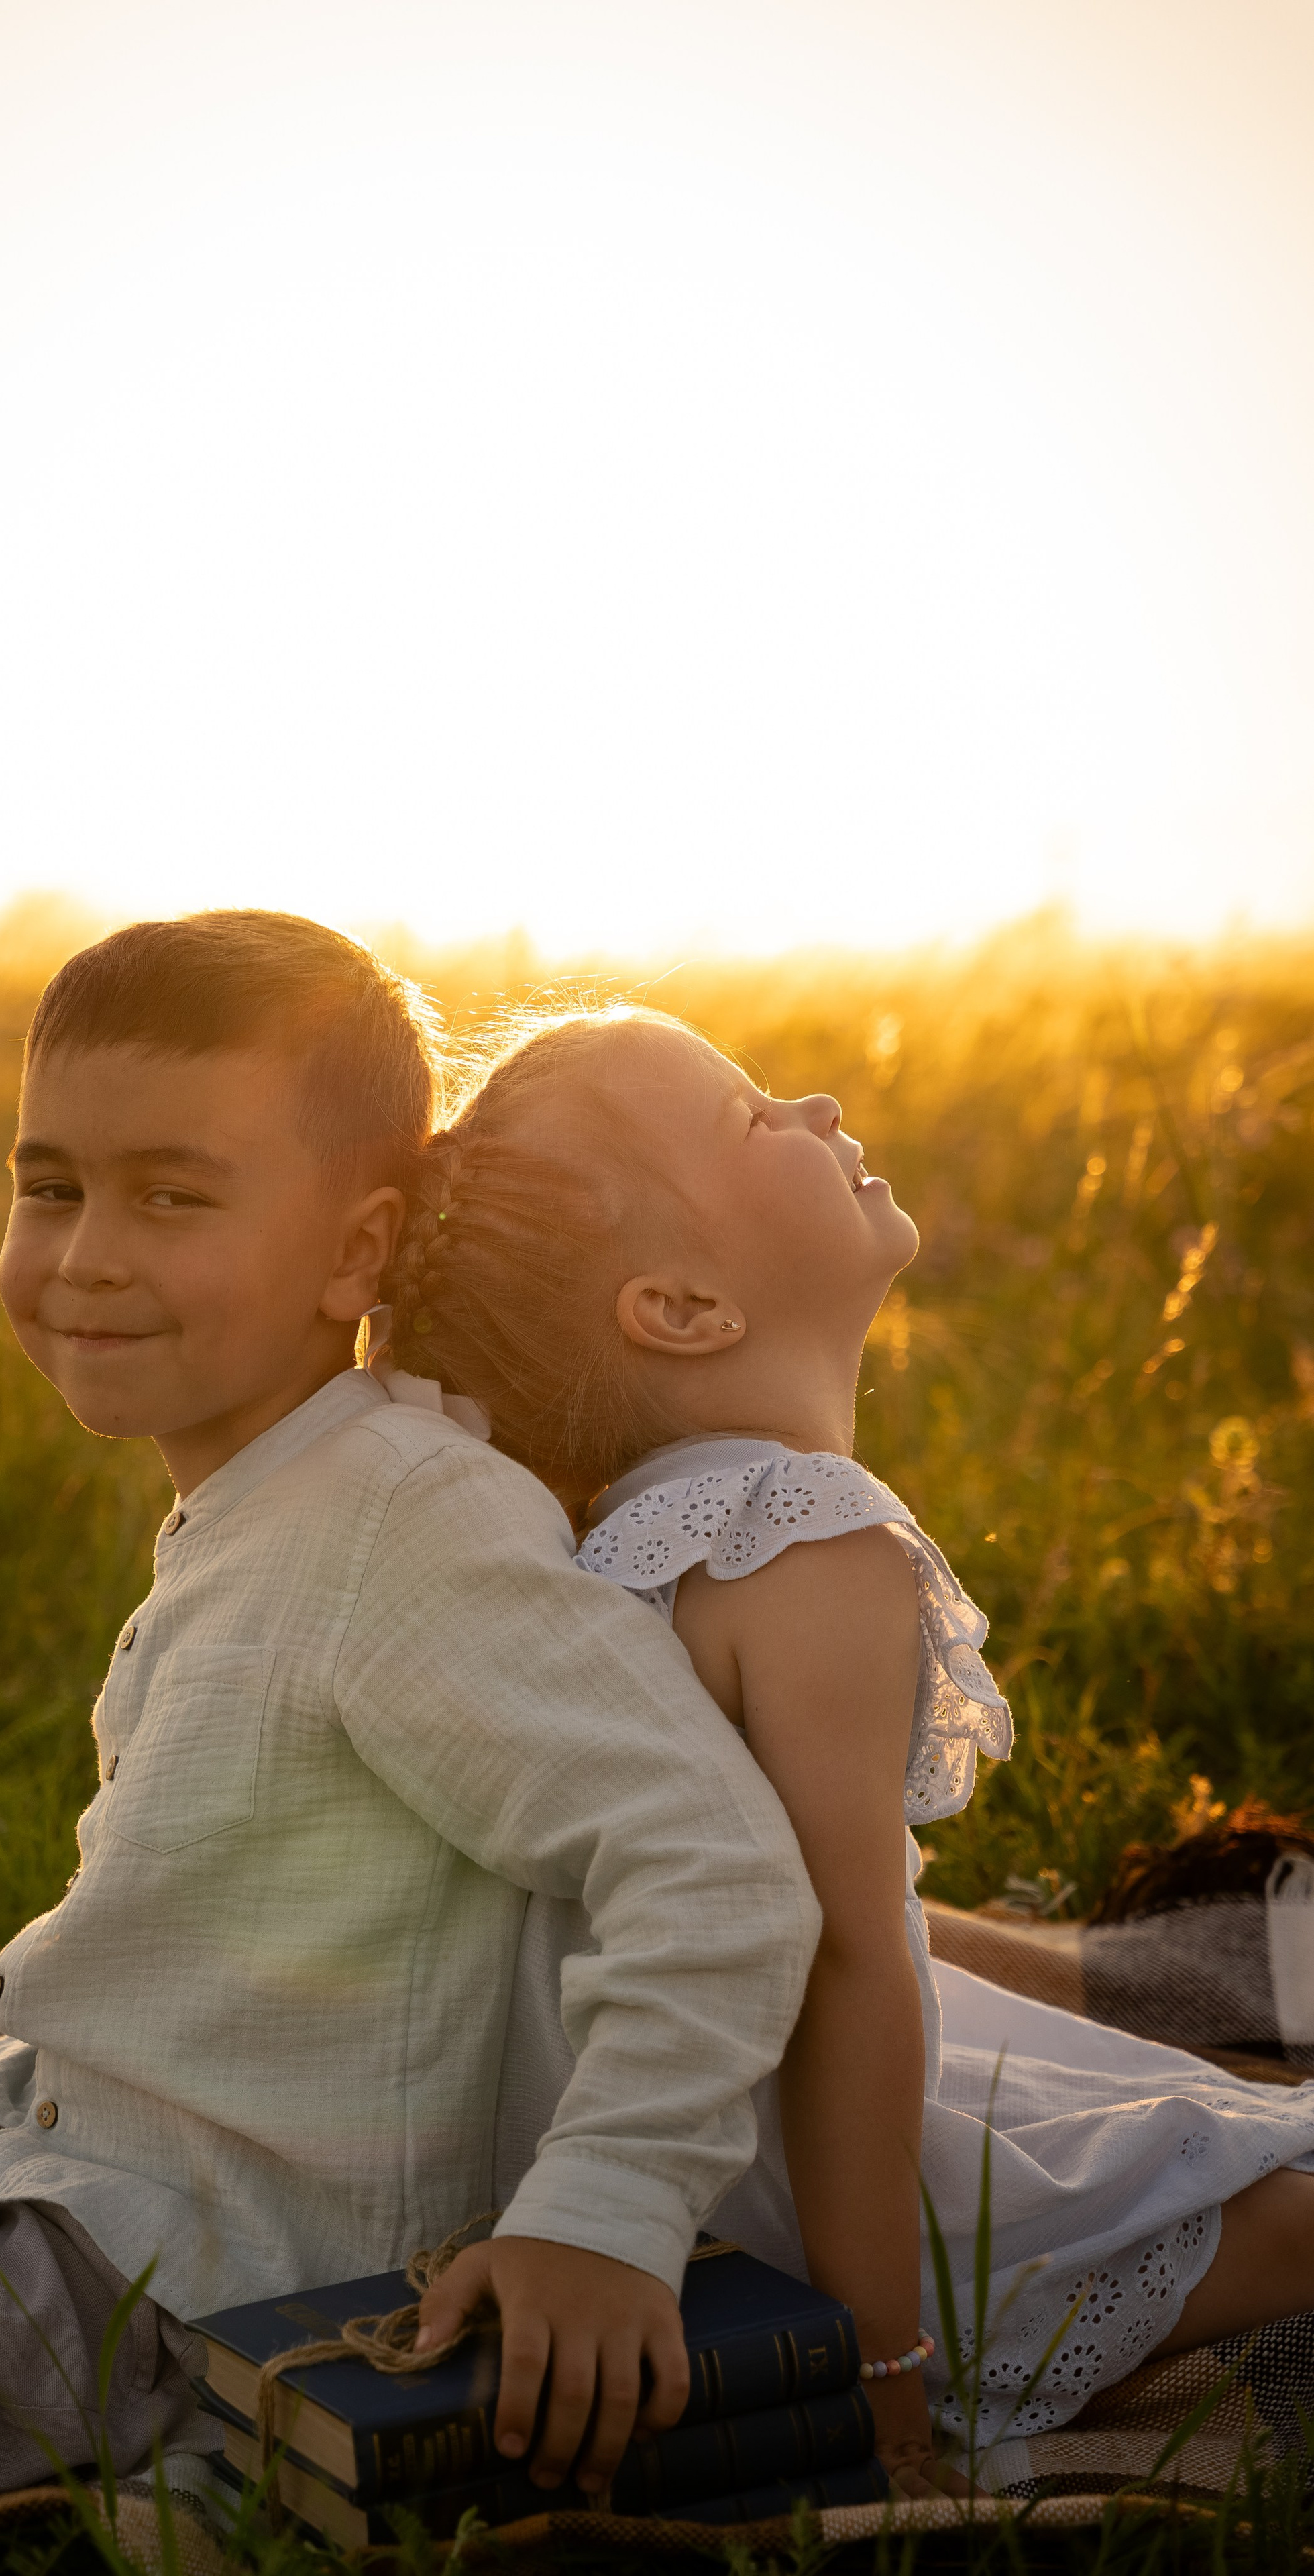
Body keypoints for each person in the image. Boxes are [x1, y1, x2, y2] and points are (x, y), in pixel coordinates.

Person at [0, 917, 820, 2513]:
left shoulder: (407, 1522)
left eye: (171, 1196)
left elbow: (713, 1867)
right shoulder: (284, 1485)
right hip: (45, 2125)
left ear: (356, 1253)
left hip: (149, 2299)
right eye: (51, 1187)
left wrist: (599, 2214)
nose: (88, 1251)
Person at [388, 1004, 1314, 2497]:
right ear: (680, 1307)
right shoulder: (802, 1543)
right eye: (751, 1116)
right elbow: (837, 1970)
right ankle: (986, 2338)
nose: (814, 1106)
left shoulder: (627, 1543)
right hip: (772, 2183)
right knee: (1282, 2201)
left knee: (1168, 2116)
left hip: (624, 2123)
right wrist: (878, 2371)